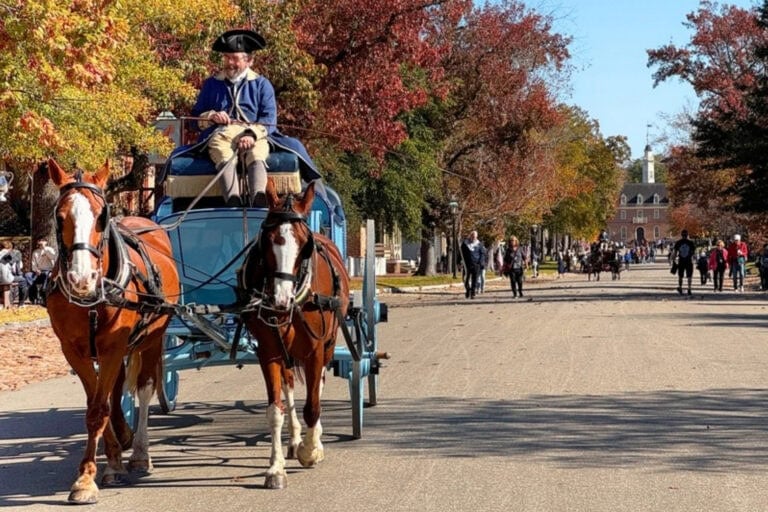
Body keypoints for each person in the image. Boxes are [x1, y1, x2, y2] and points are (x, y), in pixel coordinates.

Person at [188, 29, 322, 207]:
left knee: (256, 153)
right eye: (226, 58)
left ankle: (259, 202)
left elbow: (269, 119)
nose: (229, 63)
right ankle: (233, 203)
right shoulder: (211, 84)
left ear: (249, 61)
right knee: (222, 152)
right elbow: (194, 119)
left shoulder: (262, 84)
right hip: (221, 134)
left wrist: (251, 135)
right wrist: (211, 116)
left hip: (255, 134)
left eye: (234, 58)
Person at [25, 239, 56, 305]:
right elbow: (33, 264)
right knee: (27, 275)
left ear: (46, 242)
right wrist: (36, 270)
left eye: (42, 241)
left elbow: (53, 257)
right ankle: (33, 296)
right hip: (38, 272)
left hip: (48, 271)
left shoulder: (50, 249)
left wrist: (44, 248)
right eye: (39, 241)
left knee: (46, 274)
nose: (40, 242)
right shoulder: (35, 252)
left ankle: (43, 293)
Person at [0, 241, 28, 306]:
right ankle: (21, 303)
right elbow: (16, 266)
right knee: (23, 281)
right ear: (10, 248)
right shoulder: (9, 254)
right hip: (5, 278)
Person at [672, 229, 696, 295]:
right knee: (689, 276)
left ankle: (680, 287)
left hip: (681, 261)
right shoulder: (691, 243)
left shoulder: (678, 242)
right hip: (689, 261)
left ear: (681, 235)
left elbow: (675, 253)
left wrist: (673, 260)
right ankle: (689, 288)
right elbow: (694, 253)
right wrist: (694, 260)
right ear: (687, 235)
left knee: (680, 275)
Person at [460, 230, 482, 298]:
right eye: (472, 236)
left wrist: (481, 262)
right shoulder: (465, 244)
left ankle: (473, 293)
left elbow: (482, 254)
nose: (473, 238)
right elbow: (460, 254)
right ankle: (468, 290)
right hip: (467, 264)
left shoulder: (479, 244)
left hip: (476, 264)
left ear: (476, 237)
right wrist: (458, 262)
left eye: (474, 237)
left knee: (474, 279)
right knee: (465, 279)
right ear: (470, 236)